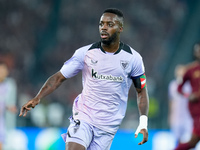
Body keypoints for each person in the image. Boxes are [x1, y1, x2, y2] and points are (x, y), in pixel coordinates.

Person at [19, 8, 149, 150]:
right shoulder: (85, 53)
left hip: (108, 126)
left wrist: (143, 122)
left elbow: (141, 91)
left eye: (110, 24)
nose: (104, 28)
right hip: (84, 117)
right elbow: (58, 77)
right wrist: (38, 97)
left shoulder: (133, 58)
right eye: (101, 24)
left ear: (120, 28)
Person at [175, 41, 200, 150]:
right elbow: (179, 87)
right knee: (193, 141)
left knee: (193, 142)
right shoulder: (191, 70)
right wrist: (188, 95)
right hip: (197, 108)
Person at [168, 65, 193, 148]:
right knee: (177, 139)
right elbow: (171, 101)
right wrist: (170, 116)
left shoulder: (189, 85)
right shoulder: (172, 85)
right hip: (176, 118)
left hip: (188, 117)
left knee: (189, 140)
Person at [0, 61, 17, 150]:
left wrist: (9, 107)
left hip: (3, 121)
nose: (2, 73)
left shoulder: (10, 85)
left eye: (3, 70)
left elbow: (8, 103)